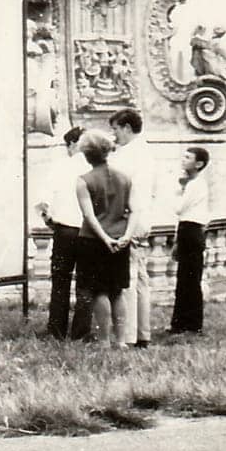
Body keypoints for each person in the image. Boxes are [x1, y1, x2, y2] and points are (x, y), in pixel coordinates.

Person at [73, 130, 134, 347]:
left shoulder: (84, 181)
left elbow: (89, 216)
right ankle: (122, 340)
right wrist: (126, 235)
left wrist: (104, 238)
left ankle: (104, 340)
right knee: (117, 291)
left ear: (87, 154)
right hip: (120, 239)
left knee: (99, 291)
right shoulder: (125, 178)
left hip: (93, 241)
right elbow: (133, 211)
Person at [34, 125, 92, 340]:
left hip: (65, 230)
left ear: (69, 145)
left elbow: (42, 202)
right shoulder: (95, 169)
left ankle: (56, 329)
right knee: (86, 281)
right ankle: (81, 331)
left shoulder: (60, 168)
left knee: (60, 280)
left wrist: (49, 220)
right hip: (89, 231)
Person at [109, 108, 157, 348]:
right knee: (140, 279)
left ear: (127, 128)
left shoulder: (127, 155)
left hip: (129, 219)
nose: (114, 134)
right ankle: (142, 333)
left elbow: (118, 186)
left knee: (126, 280)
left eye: (116, 129)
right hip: (142, 218)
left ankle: (128, 335)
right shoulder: (146, 152)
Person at [167, 146, 212, 336]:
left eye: (188, 157)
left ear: (199, 163)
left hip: (192, 231)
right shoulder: (193, 184)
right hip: (188, 230)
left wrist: (179, 188)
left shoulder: (195, 185)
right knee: (185, 279)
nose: (183, 160)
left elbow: (178, 208)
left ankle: (191, 324)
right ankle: (183, 323)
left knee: (190, 279)